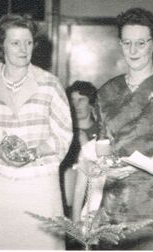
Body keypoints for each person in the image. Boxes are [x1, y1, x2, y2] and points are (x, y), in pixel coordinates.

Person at [74, 8, 153, 250]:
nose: (133, 51)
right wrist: (103, 167)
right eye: (127, 43)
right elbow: (102, 144)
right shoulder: (107, 91)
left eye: (141, 43)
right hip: (113, 198)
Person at [0, 14, 73, 250]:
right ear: (1, 45)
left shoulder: (50, 83)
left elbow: (63, 135)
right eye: (15, 43)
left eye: (29, 42)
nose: (23, 49)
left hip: (40, 184)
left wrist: (32, 153)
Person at [60, 80, 99, 218]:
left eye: (81, 100)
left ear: (91, 103)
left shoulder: (101, 131)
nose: (75, 105)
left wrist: (86, 145)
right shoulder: (63, 131)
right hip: (66, 194)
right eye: (72, 100)